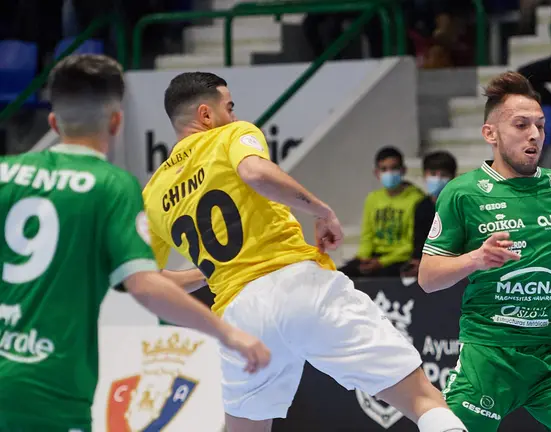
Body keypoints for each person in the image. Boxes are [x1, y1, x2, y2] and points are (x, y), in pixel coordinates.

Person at [142, 72, 468, 432]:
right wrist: (321, 210)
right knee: (422, 399)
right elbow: (254, 171)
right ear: (206, 114)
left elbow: (141, 279)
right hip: (298, 284)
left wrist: (208, 272)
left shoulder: (154, 192)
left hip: (239, 314)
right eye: (229, 107)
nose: (233, 115)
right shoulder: (230, 135)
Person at [0, 55, 269, 432]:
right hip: (52, 385)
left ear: (53, 122)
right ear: (116, 121)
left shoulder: (6, 173)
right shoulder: (110, 186)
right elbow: (145, 286)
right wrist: (229, 333)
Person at [419, 71, 551, 432]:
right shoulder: (462, 194)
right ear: (491, 133)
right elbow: (427, 278)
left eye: (540, 125)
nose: (534, 134)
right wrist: (476, 258)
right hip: (491, 355)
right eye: (521, 125)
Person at [339, 146, 426, 278]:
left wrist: (382, 262)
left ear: (403, 170)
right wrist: (363, 258)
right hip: (376, 255)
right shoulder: (372, 199)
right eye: (384, 169)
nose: (389, 173)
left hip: (400, 259)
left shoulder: (417, 200)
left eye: (394, 168)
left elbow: (410, 244)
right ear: (376, 173)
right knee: (340, 275)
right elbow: (367, 236)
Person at [402, 151, 458, 278]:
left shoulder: (459, 204)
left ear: (453, 177)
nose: (437, 179)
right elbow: (419, 239)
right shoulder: (421, 206)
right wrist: (417, 261)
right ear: (424, 176)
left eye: (443, 175)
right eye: (433, 174)